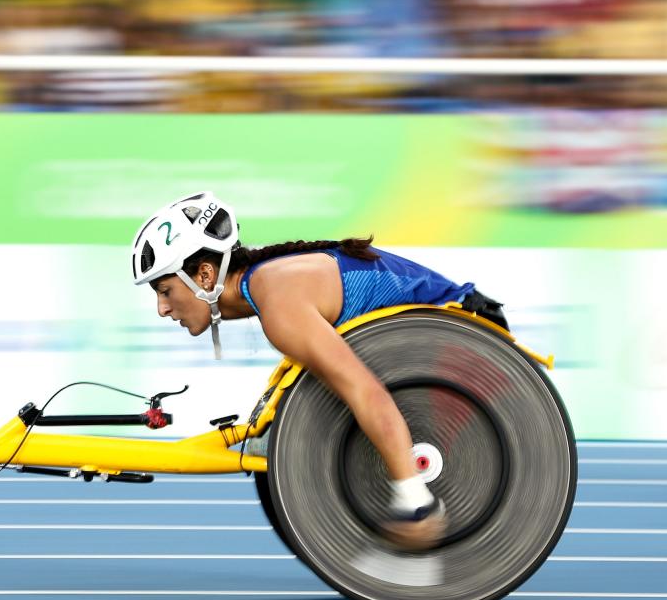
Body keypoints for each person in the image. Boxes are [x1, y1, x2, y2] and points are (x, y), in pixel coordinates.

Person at [131, 191, 507, 551]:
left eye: (164, 291)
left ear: (205, 276)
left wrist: (412, 499)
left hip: (466, 337)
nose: (163, 309)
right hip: (455, 331)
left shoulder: (277, 303)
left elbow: (366, 392)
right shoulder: (266, 282)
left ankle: (418, 497)